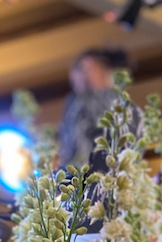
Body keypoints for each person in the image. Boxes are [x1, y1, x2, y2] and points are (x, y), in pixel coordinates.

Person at [57, 47, 135, 175]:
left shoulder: (80, 103)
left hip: (86, 177)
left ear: (88, 64)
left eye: (75, 79)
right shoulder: (124, 106)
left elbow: (73, 150)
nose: (75, 85)